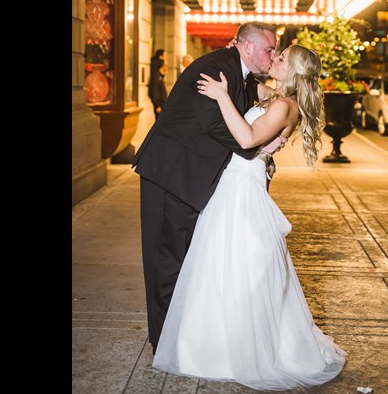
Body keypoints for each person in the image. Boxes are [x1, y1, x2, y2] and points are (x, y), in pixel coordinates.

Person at [152, 44, 347, 390]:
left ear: (295, 71)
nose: (275, 59)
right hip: (232, 184)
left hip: (243, 189)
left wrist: (221, 95)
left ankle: (237, 348)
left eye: (282, 58)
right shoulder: (277, 97)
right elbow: (253, 89)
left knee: (241, 265)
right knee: (217, 265)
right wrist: (235, 55)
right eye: (275, 52)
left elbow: (246, 137)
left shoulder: (285, 106)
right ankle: (213, 343)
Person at [131, 21, 285, 355]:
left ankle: (177, 332)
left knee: (182, 256)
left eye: (275, 51)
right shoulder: (217, 68)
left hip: (190, 176)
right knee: (165, 258)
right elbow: (213, 122)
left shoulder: (239, 74)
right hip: (171, 174)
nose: (271, 56)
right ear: (245, 46)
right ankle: (163, 341)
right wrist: (255, 148)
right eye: (268, 49)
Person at [149, 51, 168, 120]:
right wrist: (158, 105)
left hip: (162, 104)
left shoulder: (159, 76)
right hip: (159, 105)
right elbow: (155, 91)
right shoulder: (156, 77)